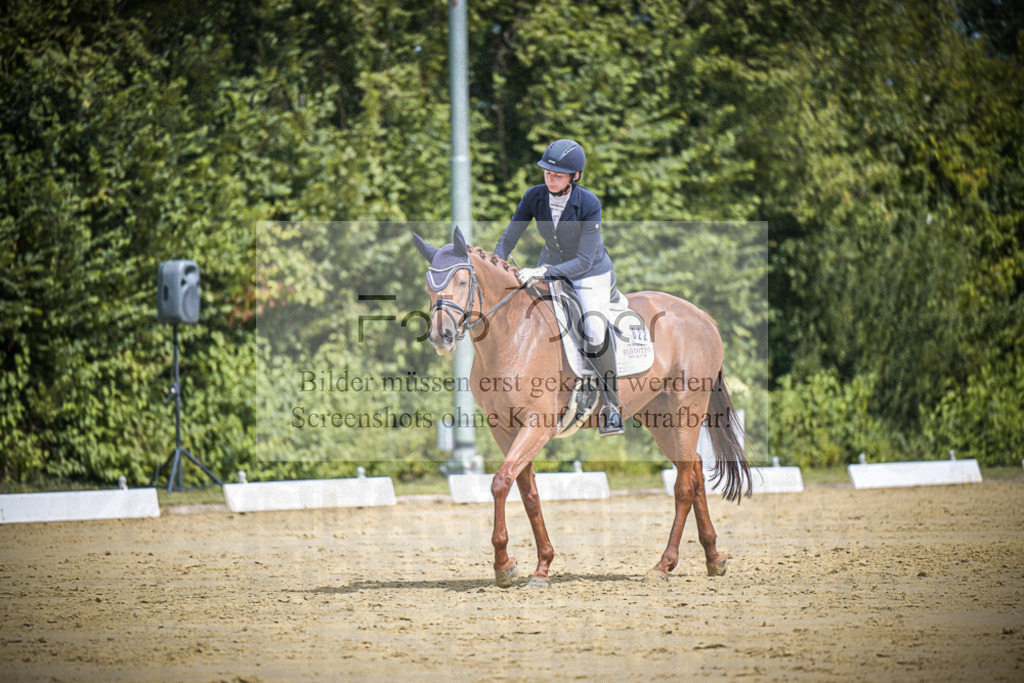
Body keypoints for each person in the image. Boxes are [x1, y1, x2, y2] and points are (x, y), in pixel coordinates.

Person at [493, 139, 623, 435]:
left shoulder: (589, 203)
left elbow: (583, 260)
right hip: (549, 267)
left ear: (574, 177)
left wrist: (542, 272)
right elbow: (508, 238)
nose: (550, 178)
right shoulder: (534, 196)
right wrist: (496, 266)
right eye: (547, 173)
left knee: (592, 327)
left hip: (589, 273)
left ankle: (612, 407)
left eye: (558, 175)